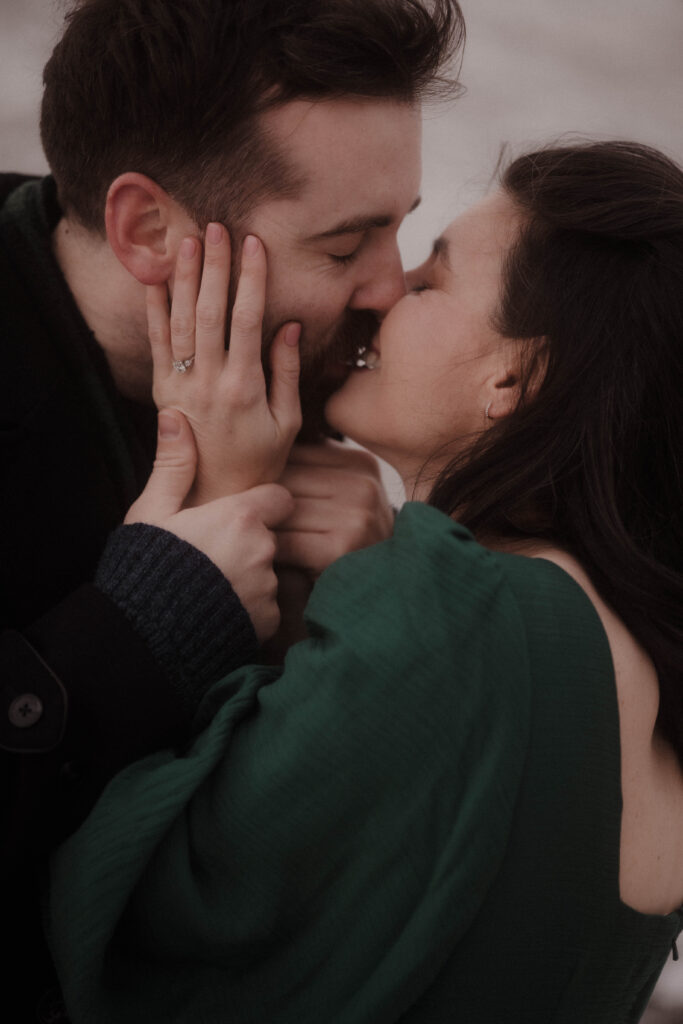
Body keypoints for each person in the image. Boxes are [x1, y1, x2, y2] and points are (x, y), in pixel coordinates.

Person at [48, 139, 683, 1023]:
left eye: (430, 282)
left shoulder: (454, 607)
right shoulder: (635, 675)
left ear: (514, 376)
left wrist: (216, 511)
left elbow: (147, 917)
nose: (387, 290)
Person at [1, 0, 464, 1017]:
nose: (393, 287)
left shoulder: (297, 387)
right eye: (347, 246)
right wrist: (151, 617)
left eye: (400, 224)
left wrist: (345, 626)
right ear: (149, 229)